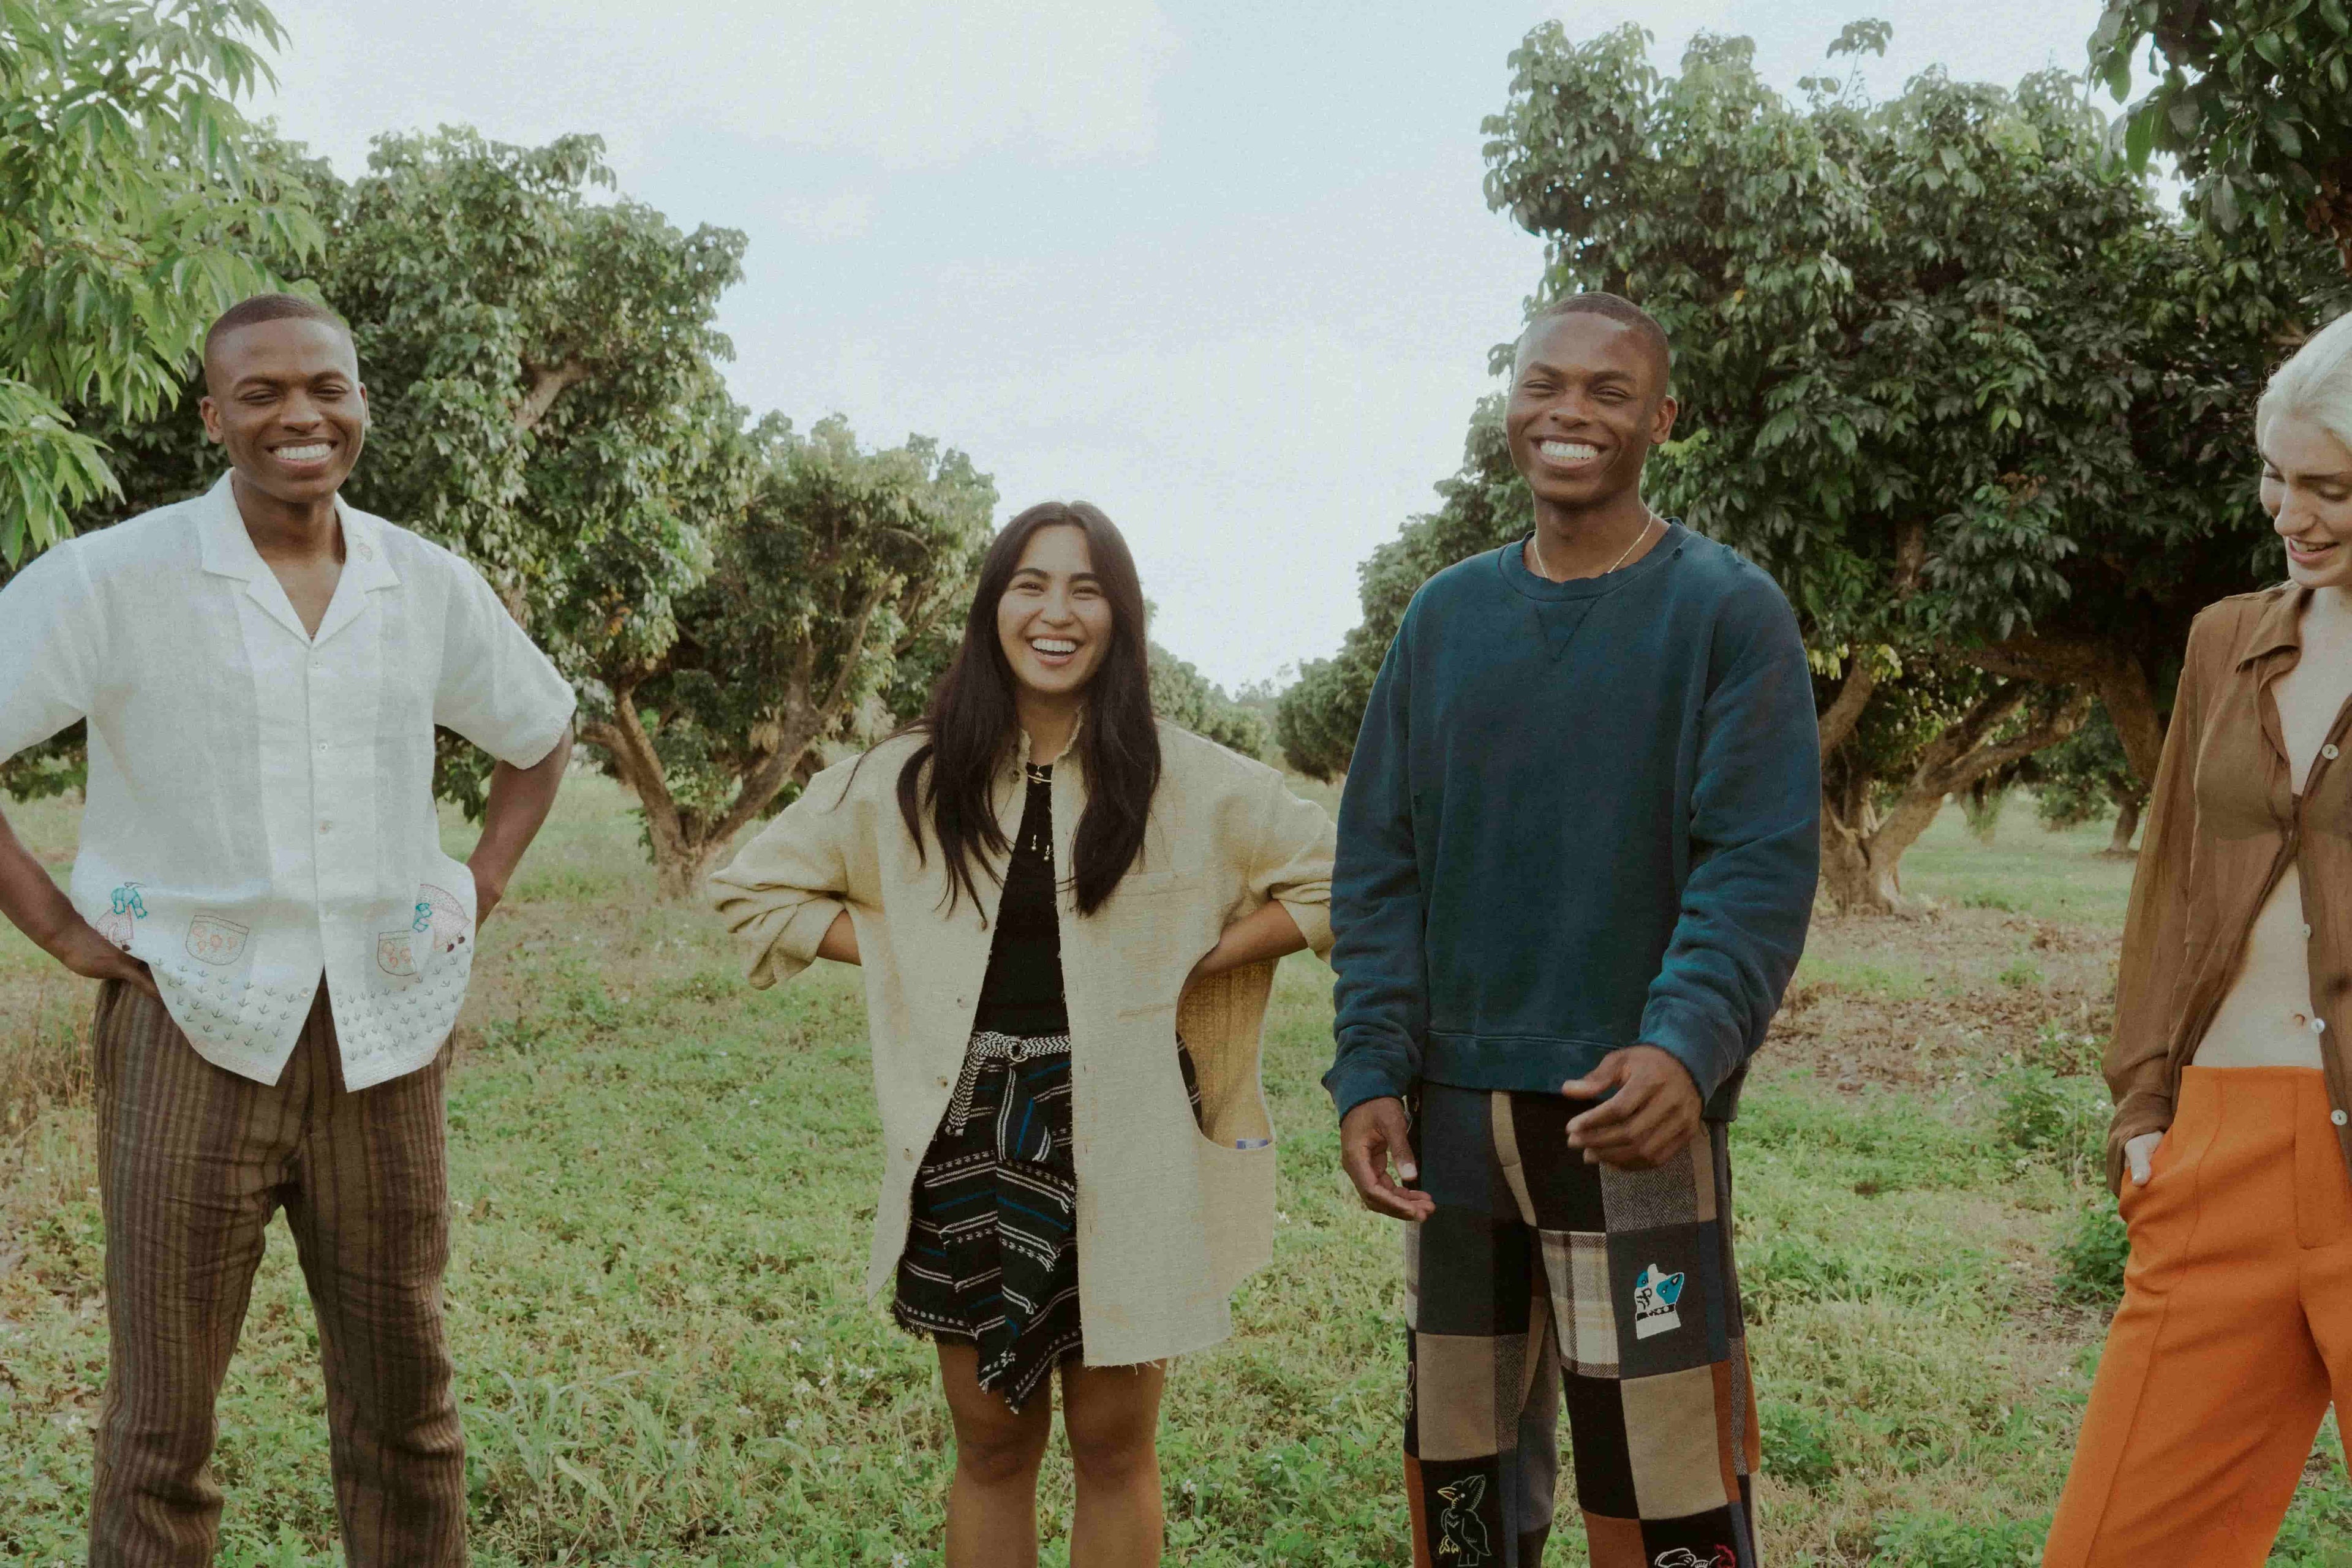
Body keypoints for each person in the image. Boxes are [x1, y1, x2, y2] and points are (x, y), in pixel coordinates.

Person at [0, 293, 577, 1566]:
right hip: (187, 1027)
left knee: (409, 1404)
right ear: (213, 417)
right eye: (260, 393)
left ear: (363, 401)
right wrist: (59, 929)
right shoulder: (116, 577)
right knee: (161, 1425)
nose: (299, 415)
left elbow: (541, 733)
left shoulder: (424, 584)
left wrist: (476, 885)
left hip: (386, 1028)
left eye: (327, 386)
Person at [709, 500, 1335, 1567]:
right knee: (993, 1446)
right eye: (1030, 585)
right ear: (993, 608)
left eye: (1087, 589)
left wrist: (1202, 953)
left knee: (1115, 1447)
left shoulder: (1188, 775)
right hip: (971, 1143)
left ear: (1122, 618)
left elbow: (1346, 875)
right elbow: (753, 888)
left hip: (1131, 1134)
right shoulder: (908, 776)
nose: (1057, 612)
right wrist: (904, 947)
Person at [1326, 293, 1820, 1568]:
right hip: (1453, 1120)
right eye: (1547, 385)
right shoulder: (1445, 617)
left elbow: (1757, 866)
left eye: (1609, 393)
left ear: (1664, 419)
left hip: (1629, 1110)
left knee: (1666, 1493)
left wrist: (1686, 1046)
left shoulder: (1725, 610)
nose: (1571, 415)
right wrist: (1373, 1066)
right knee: (1464, 1480)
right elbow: (1380, 861)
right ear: (1509, 409)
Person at [2044, 313, 2352, 1564]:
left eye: (2330, 484)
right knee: (2115, 1544)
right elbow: (2170, 882)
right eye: (2276, 473)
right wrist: (2145, 1109)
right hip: (2219, 1137)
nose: (2291, 511)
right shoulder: (2229, 639)